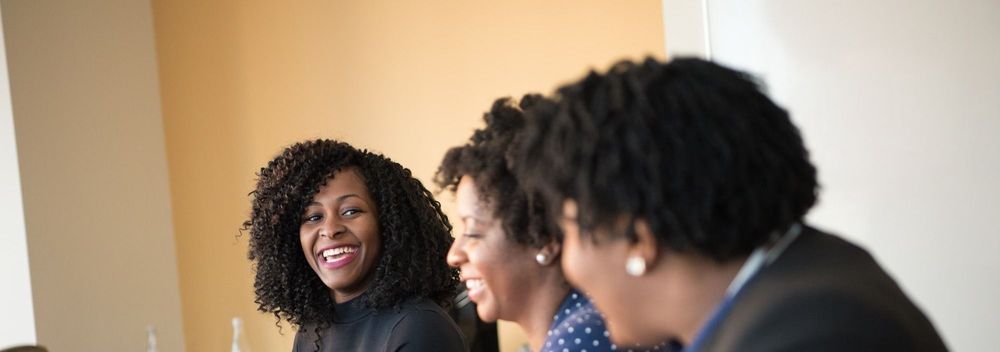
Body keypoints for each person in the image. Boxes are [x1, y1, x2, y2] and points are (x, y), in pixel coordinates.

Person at [512, 58, 948, 351]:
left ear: (637, 239)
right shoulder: (812, 272)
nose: (567, 264)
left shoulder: (801, 335)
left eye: (567, 231)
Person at [436, 96, 674, 352]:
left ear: (545, 239)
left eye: (472, 231)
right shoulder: (585, 325)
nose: (453, 255)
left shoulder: (580, 340)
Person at [244, 139, 466, 352]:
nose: (330, 229)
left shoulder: (418, 327)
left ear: (387, 223)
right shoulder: (311, 333)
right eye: (313, 217)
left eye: (351, 211)